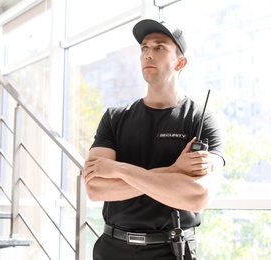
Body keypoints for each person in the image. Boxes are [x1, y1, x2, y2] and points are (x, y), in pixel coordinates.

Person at [82, 19, 225, 260]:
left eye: (159, 48)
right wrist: (173, 171)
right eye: (144, 48)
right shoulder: (114, 118)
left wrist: (119, 169)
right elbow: (95, 188)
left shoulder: (201, 120)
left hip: (171, 250)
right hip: (112, 248)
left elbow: (198, 197)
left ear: (180, 62)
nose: (148, 54)